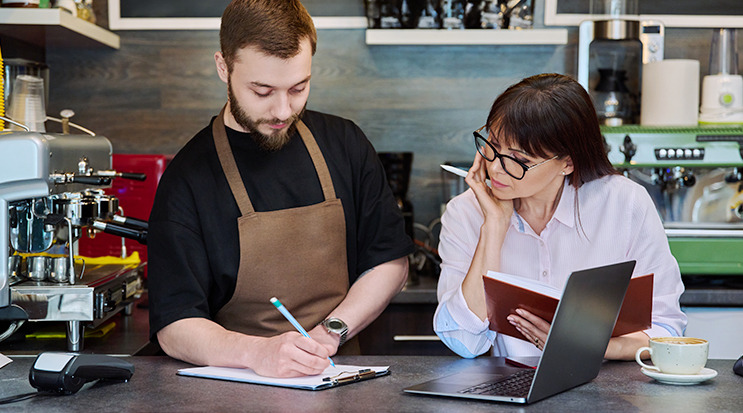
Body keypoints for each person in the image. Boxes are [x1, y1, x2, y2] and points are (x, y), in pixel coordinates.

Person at [147, 0, 413, 378]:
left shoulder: (345, 143)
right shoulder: (188, 178)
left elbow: (390, 262)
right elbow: (175, 326)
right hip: (234, 388)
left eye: (299, 88)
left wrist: (330, 333)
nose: (283, 110)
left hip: (337, 376)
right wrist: (258, 353)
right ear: (223, 67)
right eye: (262, 91)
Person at [433, 73, 687, 360]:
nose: (495, 168)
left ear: (567, 162)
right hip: (511, 389)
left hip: (607, 389)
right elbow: (464, 342)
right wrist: (494, 226)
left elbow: (667, 329)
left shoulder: (625, 203)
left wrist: (589, 344)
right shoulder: (466, 211)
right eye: (492, 145)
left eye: (519, 161)